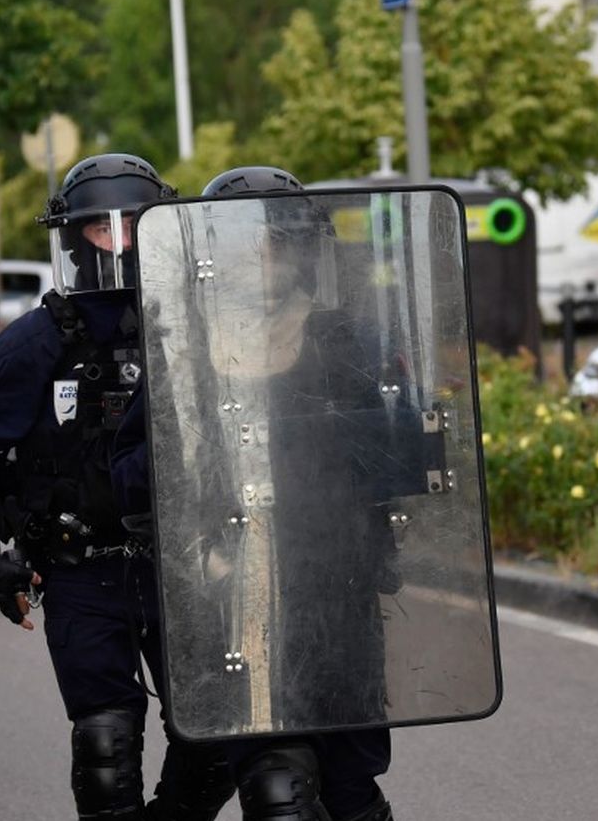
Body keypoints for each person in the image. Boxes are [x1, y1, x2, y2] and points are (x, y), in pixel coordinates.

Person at [0, 153, 235, 820]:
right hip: (81, 568)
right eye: (105, 230)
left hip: (182, 568)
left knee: (218, 732)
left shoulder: (195, 332)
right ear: (77, 238)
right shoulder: (36, 345)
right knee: (106, 742)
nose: (123, 242)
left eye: (136, 224)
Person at [111, 166, 396, 821]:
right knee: (278, 788)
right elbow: (129, 468)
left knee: (350, 789)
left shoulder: (340, 340)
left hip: (334, 604)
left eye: (281, 239)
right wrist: (184, 494)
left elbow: (387, 460)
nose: (267, 253)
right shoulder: (184, 350)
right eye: (253, 241)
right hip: (236, 606)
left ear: (302, 251)